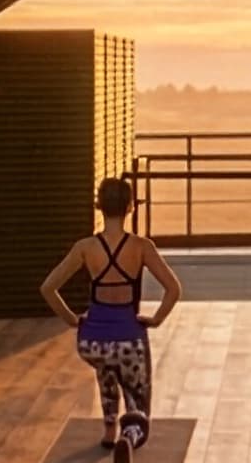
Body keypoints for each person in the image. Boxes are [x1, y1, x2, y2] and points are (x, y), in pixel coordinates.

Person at [40, 176, 181, 447]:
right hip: (128, 338)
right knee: (135, 387)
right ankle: (131, 433)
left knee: (107, 367)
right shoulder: (141, 247)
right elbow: (174, 289)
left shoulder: (85, 248)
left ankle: (108, 429)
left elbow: (48, 288)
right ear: (130, 207)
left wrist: (73, 321)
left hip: (92, 342)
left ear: (99, 206)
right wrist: (155, 320)